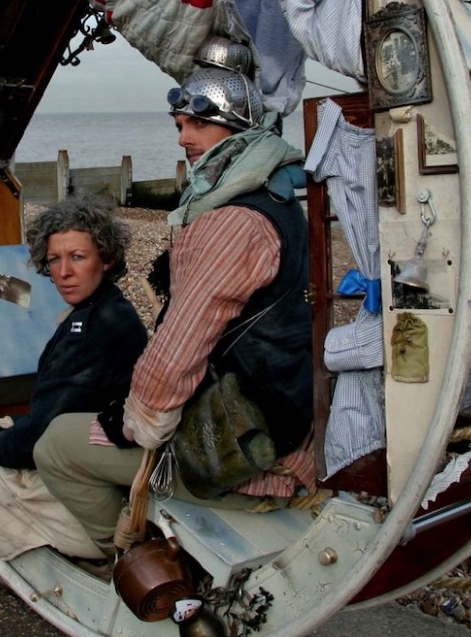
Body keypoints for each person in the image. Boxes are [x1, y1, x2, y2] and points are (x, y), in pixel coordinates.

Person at [34, 64, 315, 557]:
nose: (183, 137)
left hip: (238, 449)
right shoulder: (280, 203)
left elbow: (179, 351)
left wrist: (132, 422)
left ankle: (126, 562)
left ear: (236, 129)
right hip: (282, 419)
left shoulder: (231, 222)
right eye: (179, 125)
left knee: (56, 444)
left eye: (196, 125)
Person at [0, 196, 148, 564]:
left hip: (94, 460)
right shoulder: (109, 310)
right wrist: (9, 427)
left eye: (77, 257)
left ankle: (101, 558)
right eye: (54, 260)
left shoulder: (92, 329)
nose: (63, 272)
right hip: (100, 441)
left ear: (105, 260)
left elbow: (49, 427)